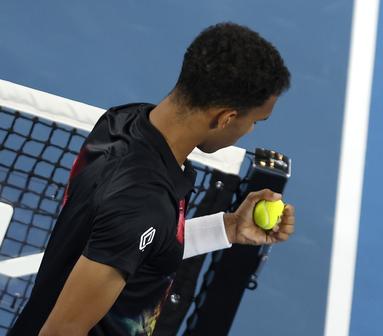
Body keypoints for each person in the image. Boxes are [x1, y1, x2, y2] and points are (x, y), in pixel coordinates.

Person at [12, 23, 296, 336]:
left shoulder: (123, 122)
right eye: (254, 121)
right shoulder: (143, 204)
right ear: (225, 117)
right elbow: (61, 331)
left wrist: (227, 228)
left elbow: (138, 240)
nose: (250, 130)